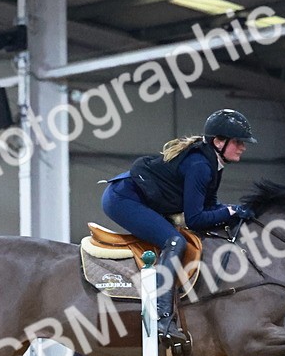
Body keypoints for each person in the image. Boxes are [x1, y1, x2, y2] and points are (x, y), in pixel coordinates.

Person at [101, 109, 257, 343]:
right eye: (238, 142)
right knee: (174, 241)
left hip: (137, 197)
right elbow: (195, 219)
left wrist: (231, 211)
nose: (243, 146)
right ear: (219, 142)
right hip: (122, 198)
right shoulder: (200, 166)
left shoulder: (212, 163)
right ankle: (161, 316)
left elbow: (209, 208)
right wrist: (230, 211)